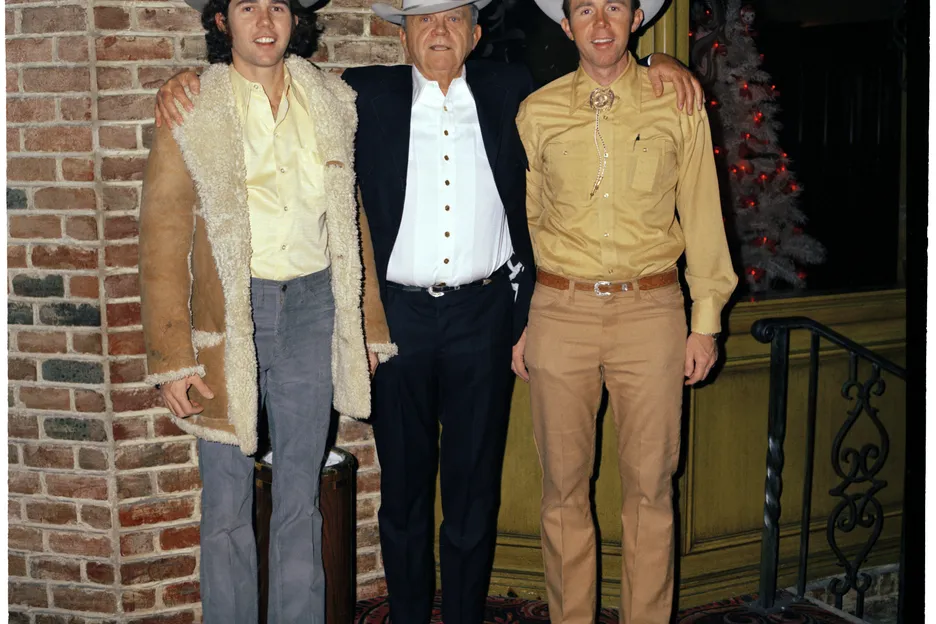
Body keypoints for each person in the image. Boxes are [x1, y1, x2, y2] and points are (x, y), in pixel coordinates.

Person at [152, 1, 703, 621]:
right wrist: (186, 81)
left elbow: (601, 65)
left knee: (474, 493)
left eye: (453, 19)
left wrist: (663, 59)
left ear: (474, 32)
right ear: (403, 35)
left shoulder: (512, 88)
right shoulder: (361, 93)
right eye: (423, 20)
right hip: (398, 324)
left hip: (485, 317)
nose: (438, 32)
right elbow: (258, 72)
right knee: (404, 497)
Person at [137, 0, 390, 622]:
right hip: (229, 320)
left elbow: (351, 219)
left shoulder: (331, 101)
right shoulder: (193, 108)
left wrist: (369, 331)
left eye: (277, 5)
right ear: (223, 21)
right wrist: (173, 357)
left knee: (300, 497)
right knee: (224, 503)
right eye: (247, 6)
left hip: (313, 309)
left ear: (295, 19)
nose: (265, 21)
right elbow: (162, 232)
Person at [514, 0, 739, 622]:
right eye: (585, 9)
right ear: (567, 27)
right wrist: (525, 319)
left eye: (614, 6)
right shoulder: (536, 113)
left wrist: (706, 321)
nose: (602, 23)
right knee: (562, 494)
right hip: (561, 311)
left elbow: (701, 211)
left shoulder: (677, 103)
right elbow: (526, 223)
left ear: (636, 17)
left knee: (650, 493)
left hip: (652, 313)